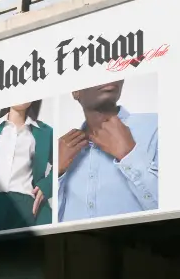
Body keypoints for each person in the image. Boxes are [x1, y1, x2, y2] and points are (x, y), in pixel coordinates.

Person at [57, 80, 158, 222]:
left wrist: (129, 155)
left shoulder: (157, 126)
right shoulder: (60, 151)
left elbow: (178, 213)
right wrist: (55, 176)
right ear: (76, 92)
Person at [0, 101, 52, 235]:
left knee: (24, 255)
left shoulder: (45, 132)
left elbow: (62, 159)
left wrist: (47, 185)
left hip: (25, 206)